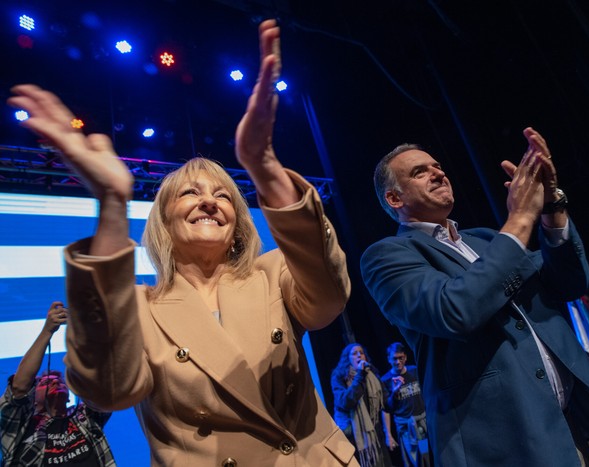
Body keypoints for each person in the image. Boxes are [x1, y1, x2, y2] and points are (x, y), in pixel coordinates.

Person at [7, 20, 358, 466]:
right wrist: (113, 203)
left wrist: (263, 163)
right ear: (165, 223)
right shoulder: (138, 306)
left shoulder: (273, 275)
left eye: (223, 196)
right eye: (191, 193)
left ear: (237, 222)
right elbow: (109, 390)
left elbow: (329, 298)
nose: (210, 202)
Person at [360, 129, 589, 466]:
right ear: (395, 199)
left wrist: (551, 206)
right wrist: (522, 218)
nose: (438, 173)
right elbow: (453, 311)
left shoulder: (486, 239)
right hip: (499, 446)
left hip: (562, 430)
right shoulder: (387, 256)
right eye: (420, 172)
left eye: (438, 167)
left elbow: (568, 283)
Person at [1, 302, 114, 466]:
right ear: (32, 398)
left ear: (69, 397)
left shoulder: (84, 417)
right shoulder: (22, 427)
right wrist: (48, 330)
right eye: (45, 382)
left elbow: (102, 386)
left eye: (60, 380)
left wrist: (87, 332)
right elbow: (18, 388)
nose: (55, 381)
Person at [331, 344, 394, 467]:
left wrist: (395, 394)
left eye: (361, 352)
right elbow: (345, 401)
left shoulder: (372, 376)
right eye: (355, 353)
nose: (359, 355)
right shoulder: (339, 377)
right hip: (354, 438)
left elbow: (387, 405)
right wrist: (359, 375)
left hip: (375, 435)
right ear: (347, 358)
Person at [380, 343, 430, 467]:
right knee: (414, 461)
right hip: (407, 428)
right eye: (394, 358)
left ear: (405, 357)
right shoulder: (386, 380)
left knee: (429, 458)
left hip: (423, 423)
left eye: (400, 358)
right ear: (388, 359)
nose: (398, 362)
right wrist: (389, 435)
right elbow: (386, 409)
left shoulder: (414, 371)